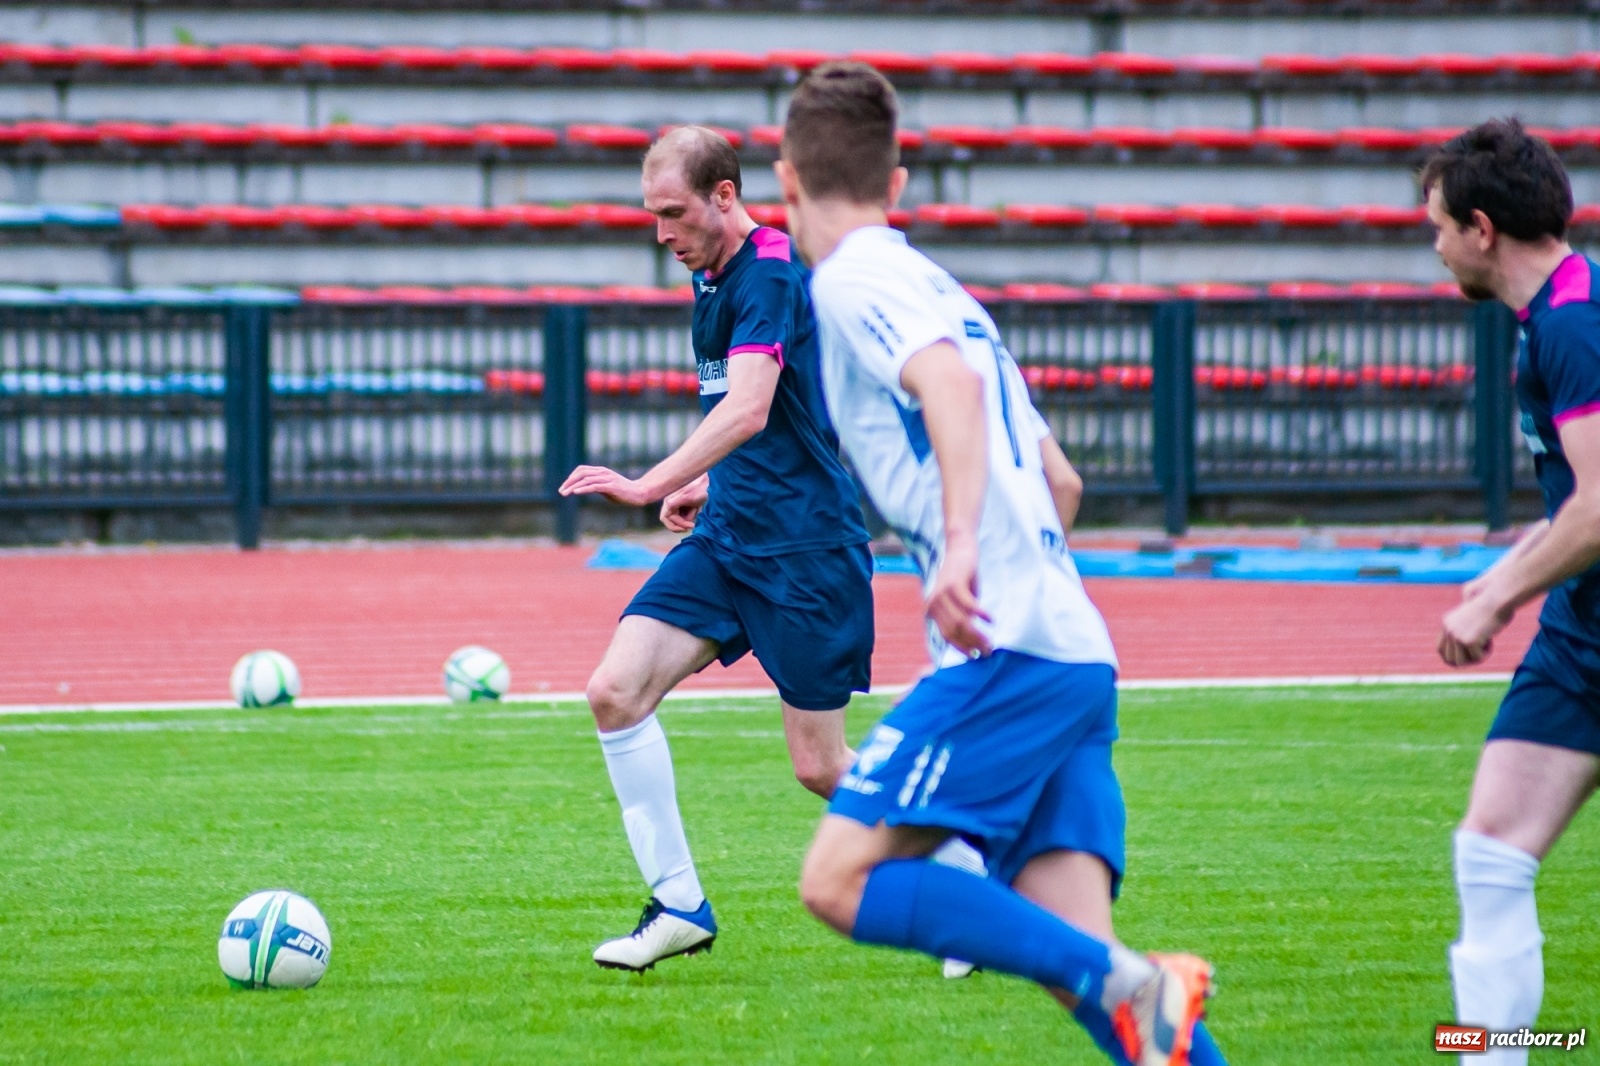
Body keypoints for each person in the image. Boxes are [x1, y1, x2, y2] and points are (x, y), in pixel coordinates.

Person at [774, 62, 1225, 1066]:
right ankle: (1130, 988)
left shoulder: (851, 276)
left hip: (1008, 652)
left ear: (786, 181)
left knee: (836, 881)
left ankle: (1130, 979)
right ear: (899, 184)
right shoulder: (940, 286)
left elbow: (947, 391)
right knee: (1110, 992)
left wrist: (965, 551)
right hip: (1066, 647)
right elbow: (1061, 481)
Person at [558, 126, 879, 971]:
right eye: (652, 215)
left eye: (674, 213)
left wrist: (647, 481)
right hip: (731, 537)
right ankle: (678, 904)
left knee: (819, 765)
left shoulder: (768, 271)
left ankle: (968, 860)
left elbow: (747, 409)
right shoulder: (712, 274)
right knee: (614, 692)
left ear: (725, 196)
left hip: (804, 552)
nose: (661, 233)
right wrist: (707, 487)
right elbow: (770, 419)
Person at [1427, 119, 1600, 1064]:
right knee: (1491, 851)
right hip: (1585, 638)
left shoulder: (1574, 326)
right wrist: (1497, 578)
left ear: (1482, 229)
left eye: (1440, 227)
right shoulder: (1560, 315)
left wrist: (1495, 603)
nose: (1438, 246)